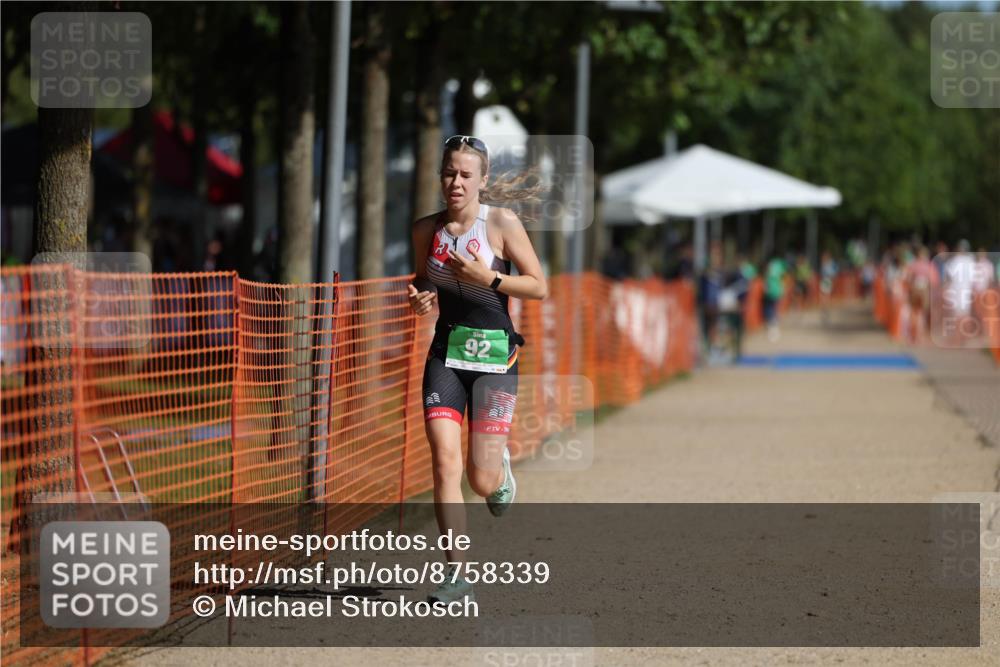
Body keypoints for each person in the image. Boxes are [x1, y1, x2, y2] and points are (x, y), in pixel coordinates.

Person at [408, 135, 547, 603]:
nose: (456, 182)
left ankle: (499, 473)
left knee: (480, 481)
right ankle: (458, 575)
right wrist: (421, 294)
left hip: (494, 360)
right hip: (445, 356)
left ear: (483, 180)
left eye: (466, 175)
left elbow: (538, 286)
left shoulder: (501, 223)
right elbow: (423, 279)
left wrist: (489, 277)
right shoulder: (425, 229)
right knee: (444, 461)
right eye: (450, 173)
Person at [763, 254, 787, 341]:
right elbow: (783, 276)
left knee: (770, 308)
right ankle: (774, 325)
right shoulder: (780, 265)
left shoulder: (770, 266)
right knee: (774, 308)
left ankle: (772, 326)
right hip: (778, 291)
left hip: (771, 291)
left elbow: (767, 279)